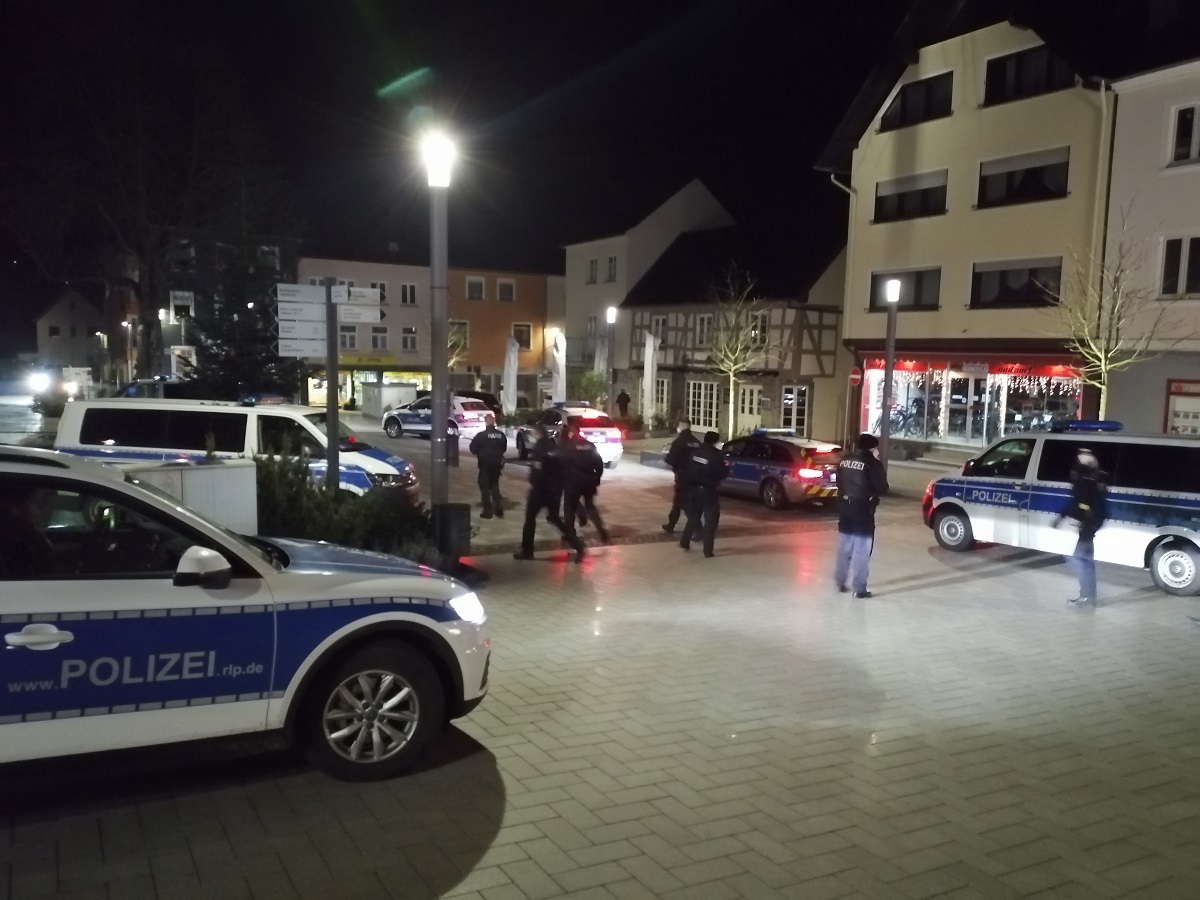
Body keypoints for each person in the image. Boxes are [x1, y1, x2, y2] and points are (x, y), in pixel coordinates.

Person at [833, 433, 889, 598]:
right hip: (863, 510)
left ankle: (840, 582)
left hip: (845, 509)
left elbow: (839, 482)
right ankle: (859, 588)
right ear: (871, 448)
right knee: (862, 551)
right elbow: (882, 488)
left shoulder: (844, 460)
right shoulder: (871, 463)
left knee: (844, 547)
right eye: (876, 448)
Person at [514, 424, 578, 560]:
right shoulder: (553, 447)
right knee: (555, 518)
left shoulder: (538, 449)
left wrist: (534, 484)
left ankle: (527, 551)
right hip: (554, 490)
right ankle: (578, 545)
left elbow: (537, 471)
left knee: (530, 519)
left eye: (533, 434)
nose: (531, 436)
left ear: (538, 434)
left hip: (540, 490)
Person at [1054, 448, 1107, 607]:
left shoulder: (1084, 484)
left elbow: (1079, 503)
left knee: (1077, 557)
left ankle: (1087, 596)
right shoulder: (1095, 482)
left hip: (1088, 526)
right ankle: (1089, 596)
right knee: (1086, 560)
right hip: (1092, 525)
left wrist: (1067, 517)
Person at [558, 422, 605, 562]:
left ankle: (571, 536)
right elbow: (599, 464)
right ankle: (602, 532)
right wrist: (597, 478)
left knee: (569, 508)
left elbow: (562, 462)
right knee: (590, 505)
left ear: (572, 432)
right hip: (589, 480)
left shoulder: (569, 446)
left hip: (574, 481)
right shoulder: (590, 445)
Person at [679, 431, 726, 557]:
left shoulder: (695, 453)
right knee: (711, 521)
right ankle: (708, 550)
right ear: (715, 442)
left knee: (694, 517)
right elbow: (723, 474)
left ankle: (684, 541)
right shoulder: (715, 457)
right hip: (709, 492)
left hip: (694, 490)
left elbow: (689, 469)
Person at [0, 484, 56, 579]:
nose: (42, 507)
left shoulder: (32, 535)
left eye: (42, 501)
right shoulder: (15, 543)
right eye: (34, 501)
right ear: (16, 508)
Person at [662, 418, 700, 534]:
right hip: (695, 477)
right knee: (680, 502)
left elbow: (671, 459)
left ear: (682, 426)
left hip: (683, 476)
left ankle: (699, 528)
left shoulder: (679, 442)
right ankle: (671, 524)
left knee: (683, 502)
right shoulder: (697, 442)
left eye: (678, 426)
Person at [468, 414, 507, 519]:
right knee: (494, 484)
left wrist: (480, 453)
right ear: (493, 422)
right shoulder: (501, 435)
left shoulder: (481, 435)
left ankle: (487, 511)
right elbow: (504, 448)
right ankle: (499, 509)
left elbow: (472, 448)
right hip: (497, 464)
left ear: (486, 422)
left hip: (485, 463)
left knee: (484, 486)